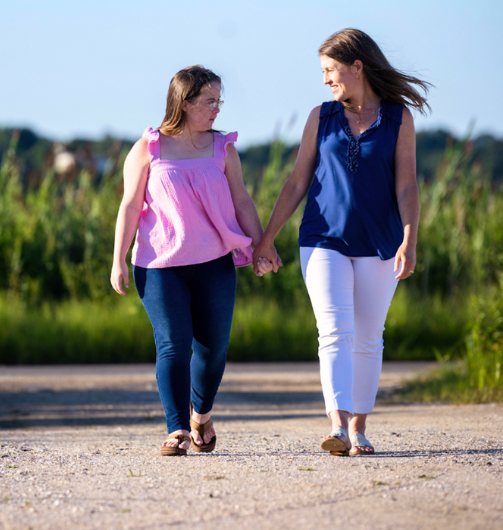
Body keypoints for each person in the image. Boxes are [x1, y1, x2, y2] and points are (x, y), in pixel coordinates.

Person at [254, 28, 429, 456]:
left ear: (358, 66)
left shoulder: (398, 118)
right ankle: (336, 424)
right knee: (334, 331)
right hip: (322, 238)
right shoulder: (322, 116)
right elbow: (297, 181)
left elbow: (407, 186)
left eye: (331, 69)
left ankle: (359, 429)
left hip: (381, 242)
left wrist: (410, 239)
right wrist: (267, 238)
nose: (326, 78)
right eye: (323, 71)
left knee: (369, 337)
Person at [110, 65, 267, 456]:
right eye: (208, 101)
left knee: (213, 349)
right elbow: (129, 205)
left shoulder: (223, 148)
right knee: (173, 344)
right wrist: (117, 260)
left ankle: (201, 414)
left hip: (213, 262)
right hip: (158, 263)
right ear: (184, 102)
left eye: (219, 100)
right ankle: (177, 428)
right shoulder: (148, 147)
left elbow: (242, 200)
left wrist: (262, 245)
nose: (217, 108)